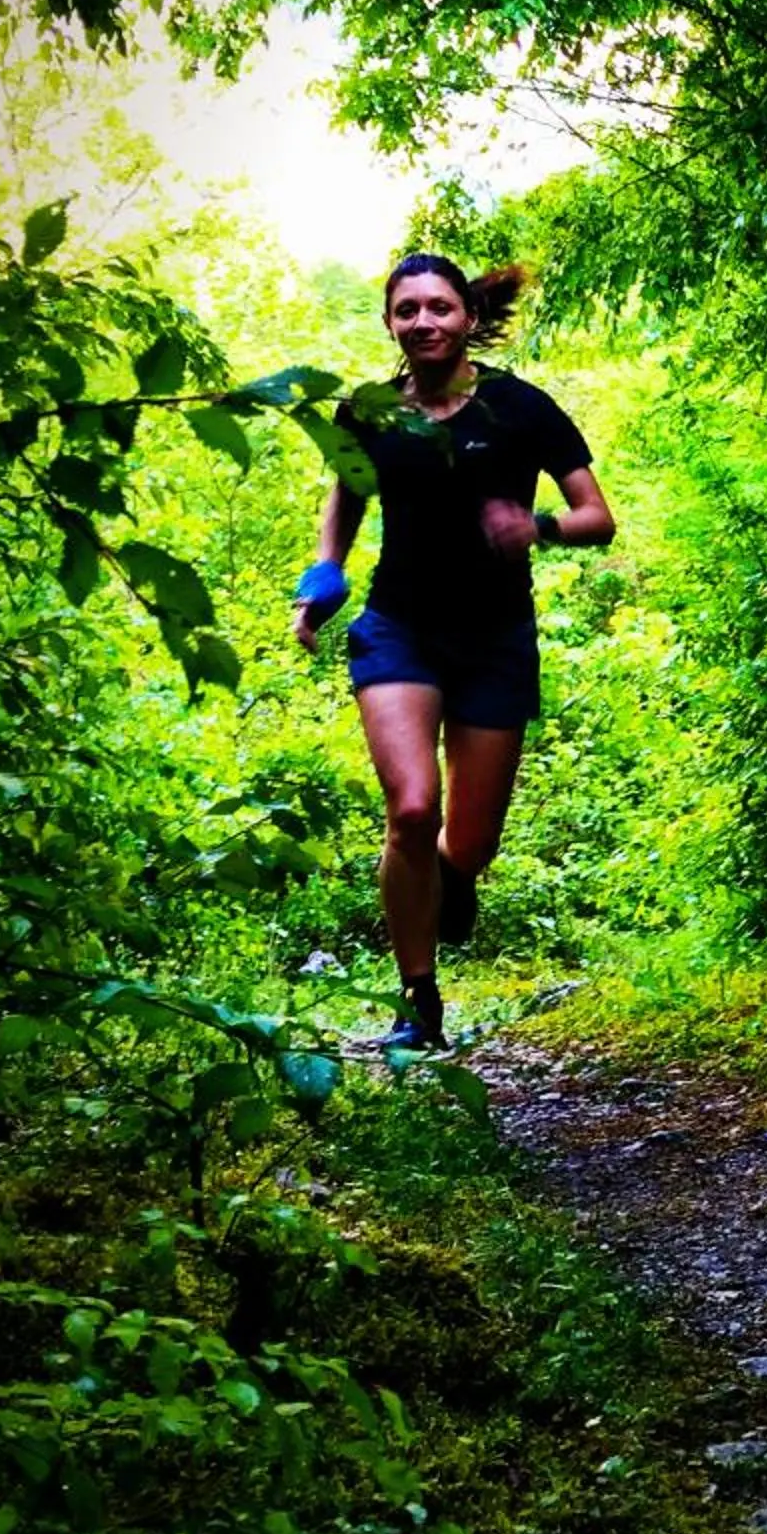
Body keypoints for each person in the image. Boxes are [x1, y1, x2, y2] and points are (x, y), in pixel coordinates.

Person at [290, 253, 615, 1047]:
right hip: (398, 628)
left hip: (495, 639)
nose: (424, 323)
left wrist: (532, 528)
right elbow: (346, 494)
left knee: (468, 843)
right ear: (390, 323)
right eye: (408, 311)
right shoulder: (368, 411)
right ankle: (417, 1001)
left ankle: (452, 876)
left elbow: (597, 518)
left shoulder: (520, 410)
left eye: (439, 308)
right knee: (410, 810)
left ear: (467, 317)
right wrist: (324, 576)